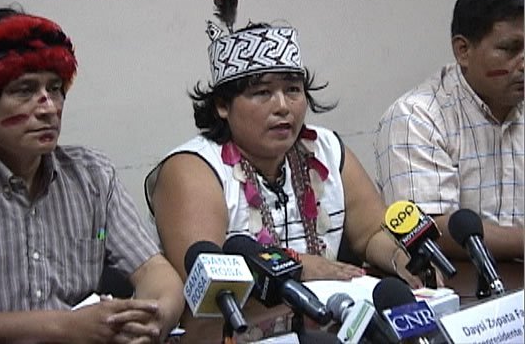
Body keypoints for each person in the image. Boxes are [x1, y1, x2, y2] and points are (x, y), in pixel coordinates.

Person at [147, 20, 426, 290]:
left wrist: (400, 259)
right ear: (222, 105)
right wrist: (298, 267)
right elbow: (209, 284)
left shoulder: (326, 149)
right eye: (262, 92)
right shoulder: (193, 168)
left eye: (293, 90)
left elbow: (372, 234)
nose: (282, 106)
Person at [0, 7, 185, 343]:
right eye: (24, 91)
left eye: (55, 89)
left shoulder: (92, 176)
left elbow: (156, 272)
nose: (49, 107)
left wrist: (153, 322)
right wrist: (63, 327)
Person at [374, 0, 524, 263]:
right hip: (454, 281)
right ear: (463, 51)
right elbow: (428, 231)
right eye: (510, 49)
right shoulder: (416, 117)